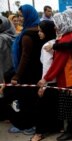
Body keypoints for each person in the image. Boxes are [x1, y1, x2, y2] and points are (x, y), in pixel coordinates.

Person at [37, 12, 72, 141]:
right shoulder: (71, 35)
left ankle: (71, 131)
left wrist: (45, 78)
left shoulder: (66, 39)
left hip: (68, 78)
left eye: (57, 24)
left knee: (68, 106)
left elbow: (58, 63)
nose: (55, 27)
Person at [7, 4, 45, 135]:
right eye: (18, 16)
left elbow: (25, 57)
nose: (20, 18)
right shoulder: (39, 31)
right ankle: (32, 125)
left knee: (26, 100)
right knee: (33, 99)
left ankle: (29, 126)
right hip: (38, 70)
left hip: (27, 73)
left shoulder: (27, 35)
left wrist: (17, 75)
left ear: (28, 16)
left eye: (22, 16)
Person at [30, 20, 61, 141]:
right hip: (57, 81)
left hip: (48, 81)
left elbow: (47, 66)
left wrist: (44, 84)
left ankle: (39, 133)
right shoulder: (55, 43)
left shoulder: (46, 46)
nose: (39, 33)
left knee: (41, 108)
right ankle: (55, 128)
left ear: (47, 31)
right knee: (53, 106)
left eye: (41, 31)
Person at [0, 15, 16, 120]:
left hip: (2, 70)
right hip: (12, 69)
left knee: (3, 93)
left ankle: (4, 115)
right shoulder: (14, 36)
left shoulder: (1, 38)